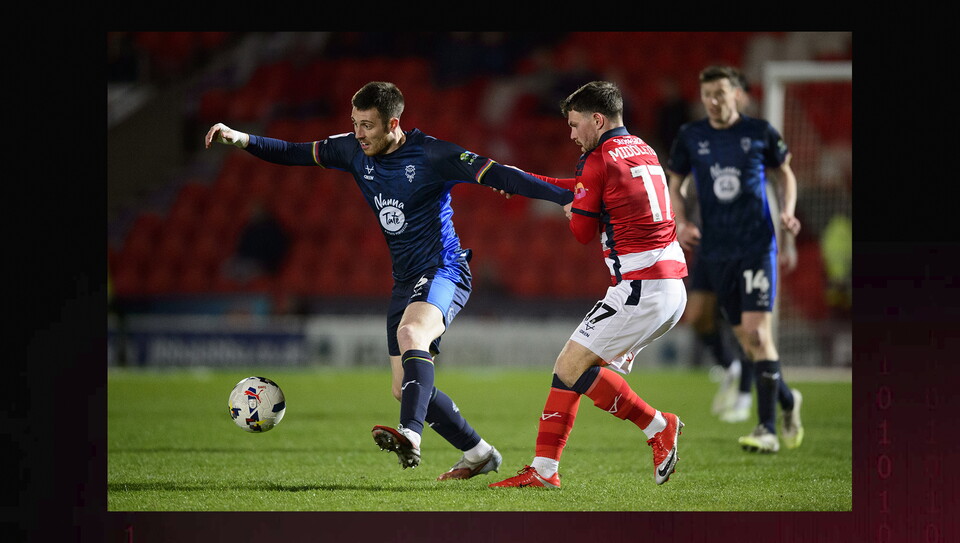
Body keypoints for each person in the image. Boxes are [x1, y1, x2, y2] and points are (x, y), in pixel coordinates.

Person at [205, 81, 574, 480]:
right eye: (355, 124)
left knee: (412, 335)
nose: (358, 134)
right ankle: (479, 453)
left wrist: (563, 198)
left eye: (367, 126)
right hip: (405, 281)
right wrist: (241, 138)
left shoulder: (433, 154)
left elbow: (500, 173)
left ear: (393, 123)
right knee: (405, 388)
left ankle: (410, 436)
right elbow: (295, 153)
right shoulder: (351, 149)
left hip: (443, 268)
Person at [489, 81, 688, 489]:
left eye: (575, 124)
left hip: (641, 286)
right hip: (668, 284)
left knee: (570, 366)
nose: (571, 133)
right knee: (573, 369)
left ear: (597, 120)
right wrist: (520, 181)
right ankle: (544, 471)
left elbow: (582, 229)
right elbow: (585, 191)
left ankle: (657, 425)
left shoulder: (597, 160)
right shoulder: (642, 148)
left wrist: (575, 210)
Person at [666, 65, 804, 453]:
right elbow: (676, 181)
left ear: (737, 95)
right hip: (715, 248)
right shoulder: (691, 136)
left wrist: (788, 211)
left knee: (759, 336)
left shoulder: (758, 132)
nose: (713, 101)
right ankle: (788, 400)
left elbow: (784, 174)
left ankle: (767, 429)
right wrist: (680, 219)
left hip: (756, 246)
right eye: (707, 94)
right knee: (729, 333)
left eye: (720, 94)